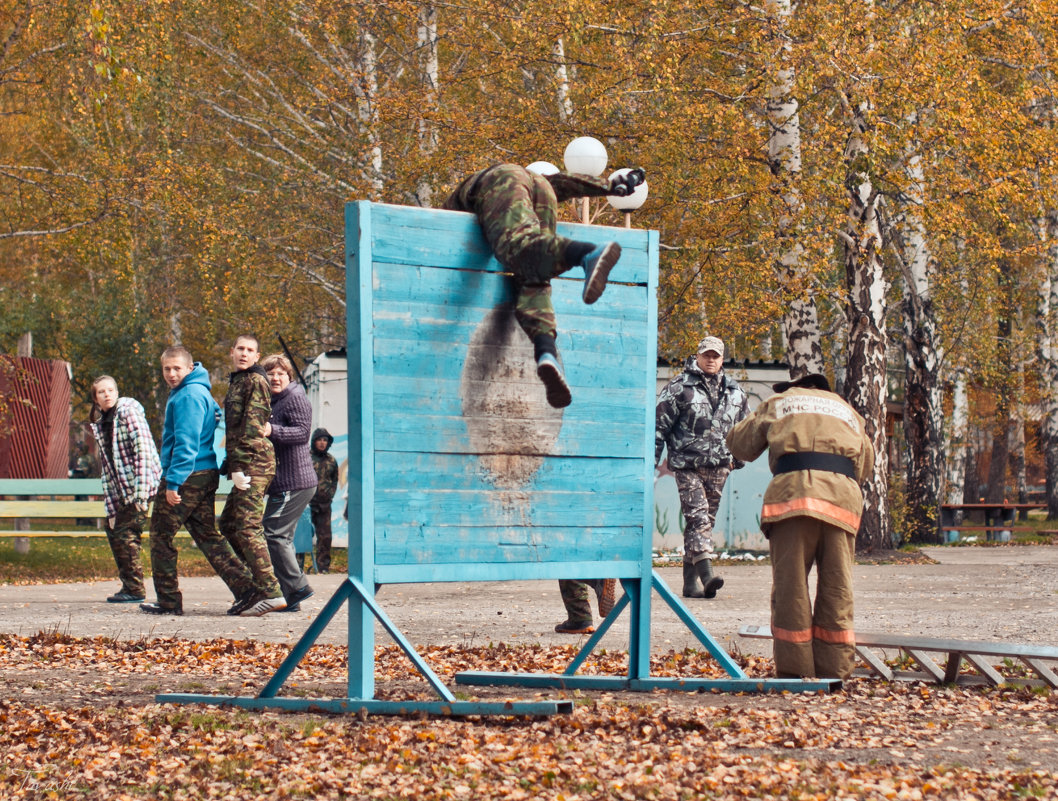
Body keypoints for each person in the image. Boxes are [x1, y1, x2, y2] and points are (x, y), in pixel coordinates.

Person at [443, 163, 644, 408]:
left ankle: (586, 253)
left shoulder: (498, 181)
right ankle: (545, 352)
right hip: (544, 189)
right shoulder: (536, 179)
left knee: (517, 244)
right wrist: (611, 186)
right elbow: (561, 182)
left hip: (499, 179)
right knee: (533, 275)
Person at [726, 373, 875, 680]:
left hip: (792, 500)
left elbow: (741, 445)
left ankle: (796, 673)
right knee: (838, 587)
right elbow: (865, 464)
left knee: (791, 589)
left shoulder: (780, 402)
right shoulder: (847, 411)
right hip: (841, 501)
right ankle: (834, 671)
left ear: (794, 387)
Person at [141, 346, 260, 616]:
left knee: (161, 536)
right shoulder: (196, 391)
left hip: (188, 476)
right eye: (166, 369)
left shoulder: (188, 396)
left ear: (188, 368)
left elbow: (186, 443)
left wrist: (173, 483)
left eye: (176, 368)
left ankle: (168, 601)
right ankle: (248, 590)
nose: (171, 374)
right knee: (207, 536)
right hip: (202, 473)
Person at [655, 336, 749, 600]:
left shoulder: (735, 392)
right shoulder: (679, 387)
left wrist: (737, 461)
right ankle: (707, 576)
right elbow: (658, 426)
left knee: (703, 522)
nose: (711, 360)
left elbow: (746, 430)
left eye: (715, 356)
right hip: (687, 466)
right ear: (697, 356)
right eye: (706, 355)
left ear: (722, 359)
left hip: (719, 467)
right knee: (698, 517)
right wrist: (651, 462)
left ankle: (689, 585)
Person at [218, 335, 287, 616]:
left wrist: (239, 466)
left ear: (257, 356)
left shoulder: (257, 381)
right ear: (232, 352)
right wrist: (232, 463)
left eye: (250, 351)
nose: (244, 354)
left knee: (246, 526)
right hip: (243, 461)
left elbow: (253, 427)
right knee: (229, 523)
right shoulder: (238, 381)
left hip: (255, 462)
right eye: (240, 349)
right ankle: (256, 586)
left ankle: (271, 591)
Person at [88, 375, 162, 604]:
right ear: (96, 398)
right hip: (123, 491)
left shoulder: (128, 413)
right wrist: (111, 511)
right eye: (101, 392)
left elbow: (144, 453)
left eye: (111, 390)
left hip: (141, 486)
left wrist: (140, 495)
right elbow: (109, 471)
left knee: (125, 533)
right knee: (114, 530)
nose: (107, 394)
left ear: (117, 392)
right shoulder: (103, 424)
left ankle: (135, 588)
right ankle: (129, 585)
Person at [260, 353, 317, 611]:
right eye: (270, 373)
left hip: (294, 482)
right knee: (283, 537)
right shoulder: (273, 400)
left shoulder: (294, 397)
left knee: (273, 531)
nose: (275, 378)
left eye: (280, 373)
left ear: (289, 376)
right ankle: (289, 597)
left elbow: (303, 433)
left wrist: (273, 430)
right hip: (283, 482)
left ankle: (298, 587)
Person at [308, 427, 338, 573]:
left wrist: (330, 495)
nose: (322, 443)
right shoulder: (306, 458)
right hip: (306, 504)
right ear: (314, 441)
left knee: (325, 537)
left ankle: (323, 567)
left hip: (324, 505)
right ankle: (296, 566)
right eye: (319, 440)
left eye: (325, 440)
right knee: (301, 535)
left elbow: (334, 480)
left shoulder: (332, 460)